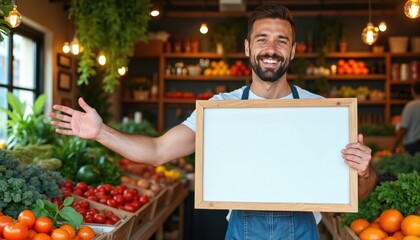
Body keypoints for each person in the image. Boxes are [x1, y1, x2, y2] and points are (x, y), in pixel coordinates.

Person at [48, 4, 377, 239]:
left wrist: (364, 171)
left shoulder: (321, 111)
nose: (271, 48)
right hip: (241, 230)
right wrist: (101, 131)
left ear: (293, 52)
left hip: (304, 230)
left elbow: (357, 192)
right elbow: (159, 150)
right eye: (262, 39)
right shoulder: (219, 110)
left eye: (282, 41)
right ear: (248, 48)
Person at [392, 81, 420, 155]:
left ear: (413, 91)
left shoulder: (411, 106)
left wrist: (393, 147)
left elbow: (403, 128)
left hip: (413, 144)